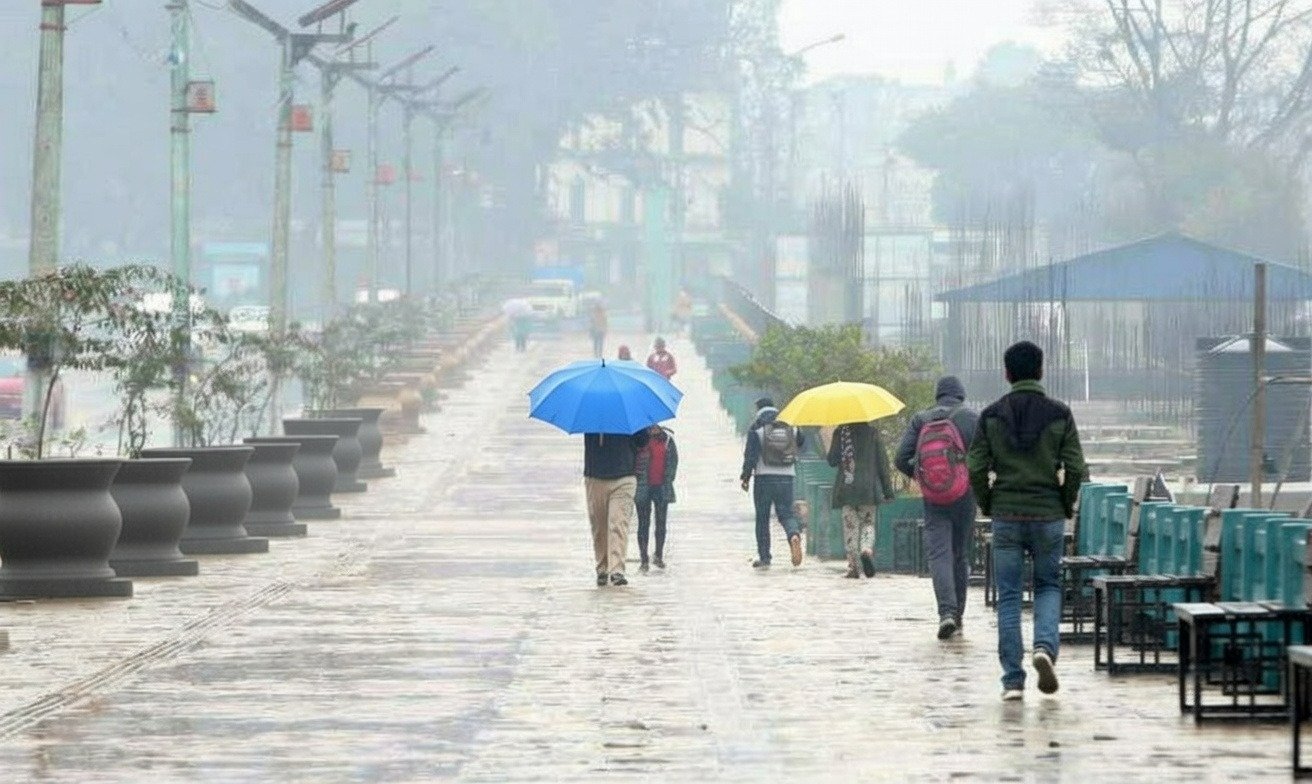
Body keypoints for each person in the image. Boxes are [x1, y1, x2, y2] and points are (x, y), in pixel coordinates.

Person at [967, 340, 1088, 701]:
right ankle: (1044, 649)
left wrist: (989, 502)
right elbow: (1076, 466)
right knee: (1049, 585)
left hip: (1006, 515)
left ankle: (1013, 681)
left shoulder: (990, 415)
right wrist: (1064, 504)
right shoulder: (1060, 413)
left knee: (1008, 595)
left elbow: (974, 466)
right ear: (1041, 370)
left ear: (1006, 373)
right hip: (1048, 514)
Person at [895, 376, 980, 639]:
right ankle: (958, 615)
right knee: (960, 553)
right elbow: (984, 457)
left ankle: (946, 613)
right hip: (966, 496)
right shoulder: (970, 418)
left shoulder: (921, 419)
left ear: (937, 395)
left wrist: (923, 477)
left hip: (933, 498)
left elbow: (900, 458)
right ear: (961, 394)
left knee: (939, 554)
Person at [740, 398, 805, 568]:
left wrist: (745, 477)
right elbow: (801, 443)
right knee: (787, 514)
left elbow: (750, 456)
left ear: (758, 409)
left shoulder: (757, 429)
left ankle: (765, 558)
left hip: (763, 479)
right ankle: (793, 535)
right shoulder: (791, 426)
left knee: (762, 518)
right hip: (787, 478)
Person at [827, 421, 896, 579]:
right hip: (868, 489)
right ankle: (866, 550)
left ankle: (854, 567)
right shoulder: (873, 434)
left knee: (850, 527)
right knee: (868, 524)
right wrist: (888, 491)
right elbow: (883, 464)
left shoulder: (841, 432)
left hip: (847, 487)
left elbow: (832, 460)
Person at [585, 428, 650, 587]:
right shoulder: (591, 415)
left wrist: (641, 430)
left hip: (625, 477)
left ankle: (617, 570)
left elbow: (642, 441)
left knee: (618, 523)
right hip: (595, 477)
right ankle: (602, 568)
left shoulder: (629, 412)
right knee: (599, 526)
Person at [635, 424, 678, 571]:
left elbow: (673, 462)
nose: (654, 428)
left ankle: (658, 555)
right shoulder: (639, 438)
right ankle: (644, 559)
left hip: (662, 487)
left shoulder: (667, 441)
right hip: (642, 487)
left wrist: (668, 479)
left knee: (661, 523)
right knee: (643, 524)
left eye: (656, 425)